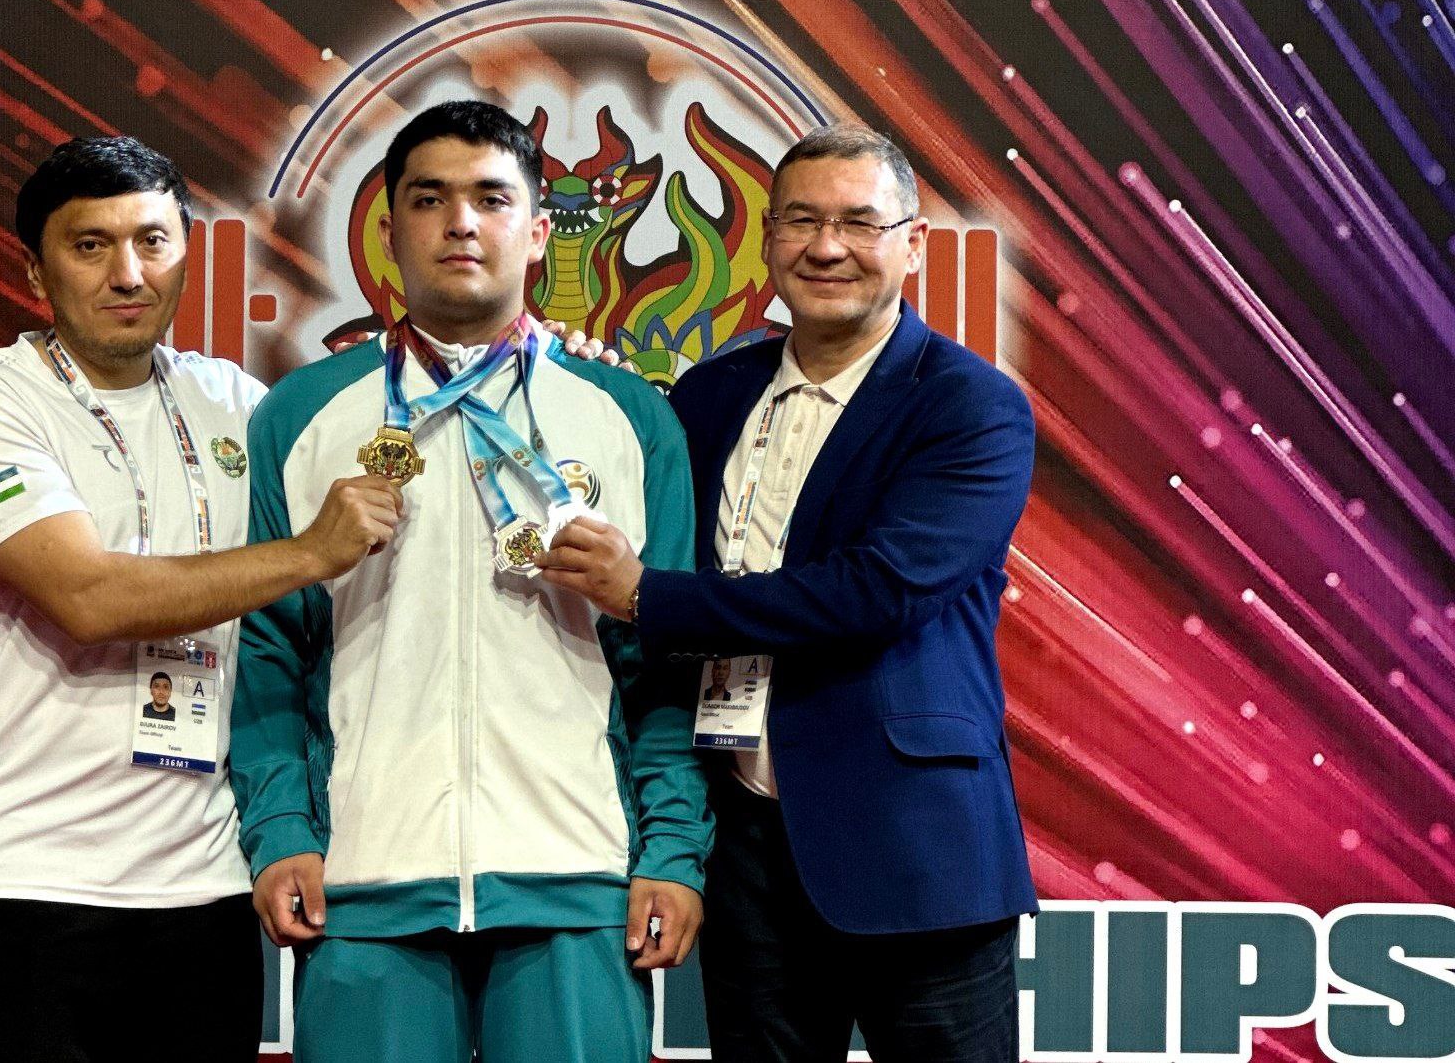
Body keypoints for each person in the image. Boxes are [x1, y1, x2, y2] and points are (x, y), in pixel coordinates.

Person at [536, 124, 1038, 1063]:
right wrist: (563, 387)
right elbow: (640, 508)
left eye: (859, 222)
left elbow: (877, 593)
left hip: (913, 849)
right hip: (745, 852)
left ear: (912, 244)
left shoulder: (970, 404)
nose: (827, 246)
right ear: (766, 239)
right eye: (801, 221)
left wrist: (650, 597)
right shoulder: (710, 394)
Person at [229, 101, 712, 1063]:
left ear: (537, 232)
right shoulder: (303, 415)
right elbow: (267, 648)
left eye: (492, 199)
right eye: (429, 199)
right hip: (364, 880)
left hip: (577, 875)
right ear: (389, 231)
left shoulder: (626, 417)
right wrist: (282, 828)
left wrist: (670, 849)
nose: (460, 223)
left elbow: (667, 657)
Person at [0, 135, 403, 1062]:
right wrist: (308, 553)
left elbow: (401, 466)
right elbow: (89, 596)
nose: (128, 273)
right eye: (90, 245)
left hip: (206, 888)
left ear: (186, 254)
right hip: (26, 879)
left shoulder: (237, 404)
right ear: (35, 270)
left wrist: (553, 368)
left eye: (152, 241)